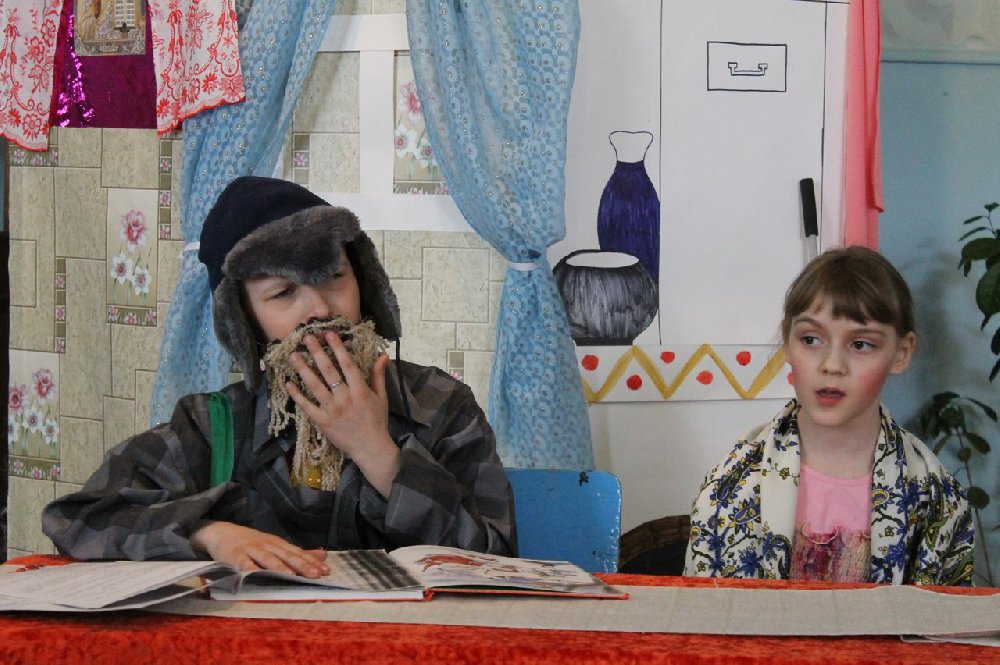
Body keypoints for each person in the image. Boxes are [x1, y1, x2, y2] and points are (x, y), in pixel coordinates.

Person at [43, 176, 517, 577]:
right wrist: (207, 532)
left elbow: (495, 561)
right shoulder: (214, 426)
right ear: (247, 322)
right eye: (284, 292)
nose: (320, 309)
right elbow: (78, 519)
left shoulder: (441, 404)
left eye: (334, 277)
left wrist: (378, 453)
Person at [683, 246, 975, 585]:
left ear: (901, 352)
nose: (832, 365)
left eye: (861, 344)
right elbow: (703, 612)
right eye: (810, 339)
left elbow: (948, 615)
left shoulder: (936, 497)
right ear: (788, 343)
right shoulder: (730, 485)